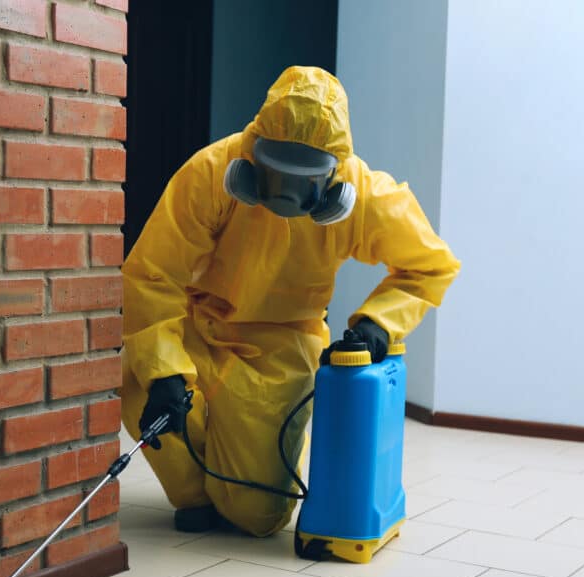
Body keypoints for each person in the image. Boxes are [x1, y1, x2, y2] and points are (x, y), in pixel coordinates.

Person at [120, 66, 460, 537]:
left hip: (281, 345)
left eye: (302, 179)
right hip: (197, 326)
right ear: (252, 154)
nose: (283, 194)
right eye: (273, 171)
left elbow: (431, 265)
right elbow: (154, 274)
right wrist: (164, 371)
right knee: (144, 384)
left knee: (258, 516)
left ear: (334, 176)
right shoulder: (212, 172)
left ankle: (234, 493)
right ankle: (196, 496)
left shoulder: (365, 198)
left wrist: (379, 323)